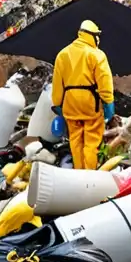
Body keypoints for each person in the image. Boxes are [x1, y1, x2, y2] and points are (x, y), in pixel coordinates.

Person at [51, 19, 115, 170]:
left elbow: (57, 84)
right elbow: (104, 82)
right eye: (97, 35)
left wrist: (57, 104)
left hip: (70, 104)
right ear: (91, 35)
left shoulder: (62, 54)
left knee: (75, 141)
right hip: (90, 104)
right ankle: (89, 174)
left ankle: (78, 172)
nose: (98, 39)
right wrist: (109, 103)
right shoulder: (97, 55)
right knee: (91, 142)